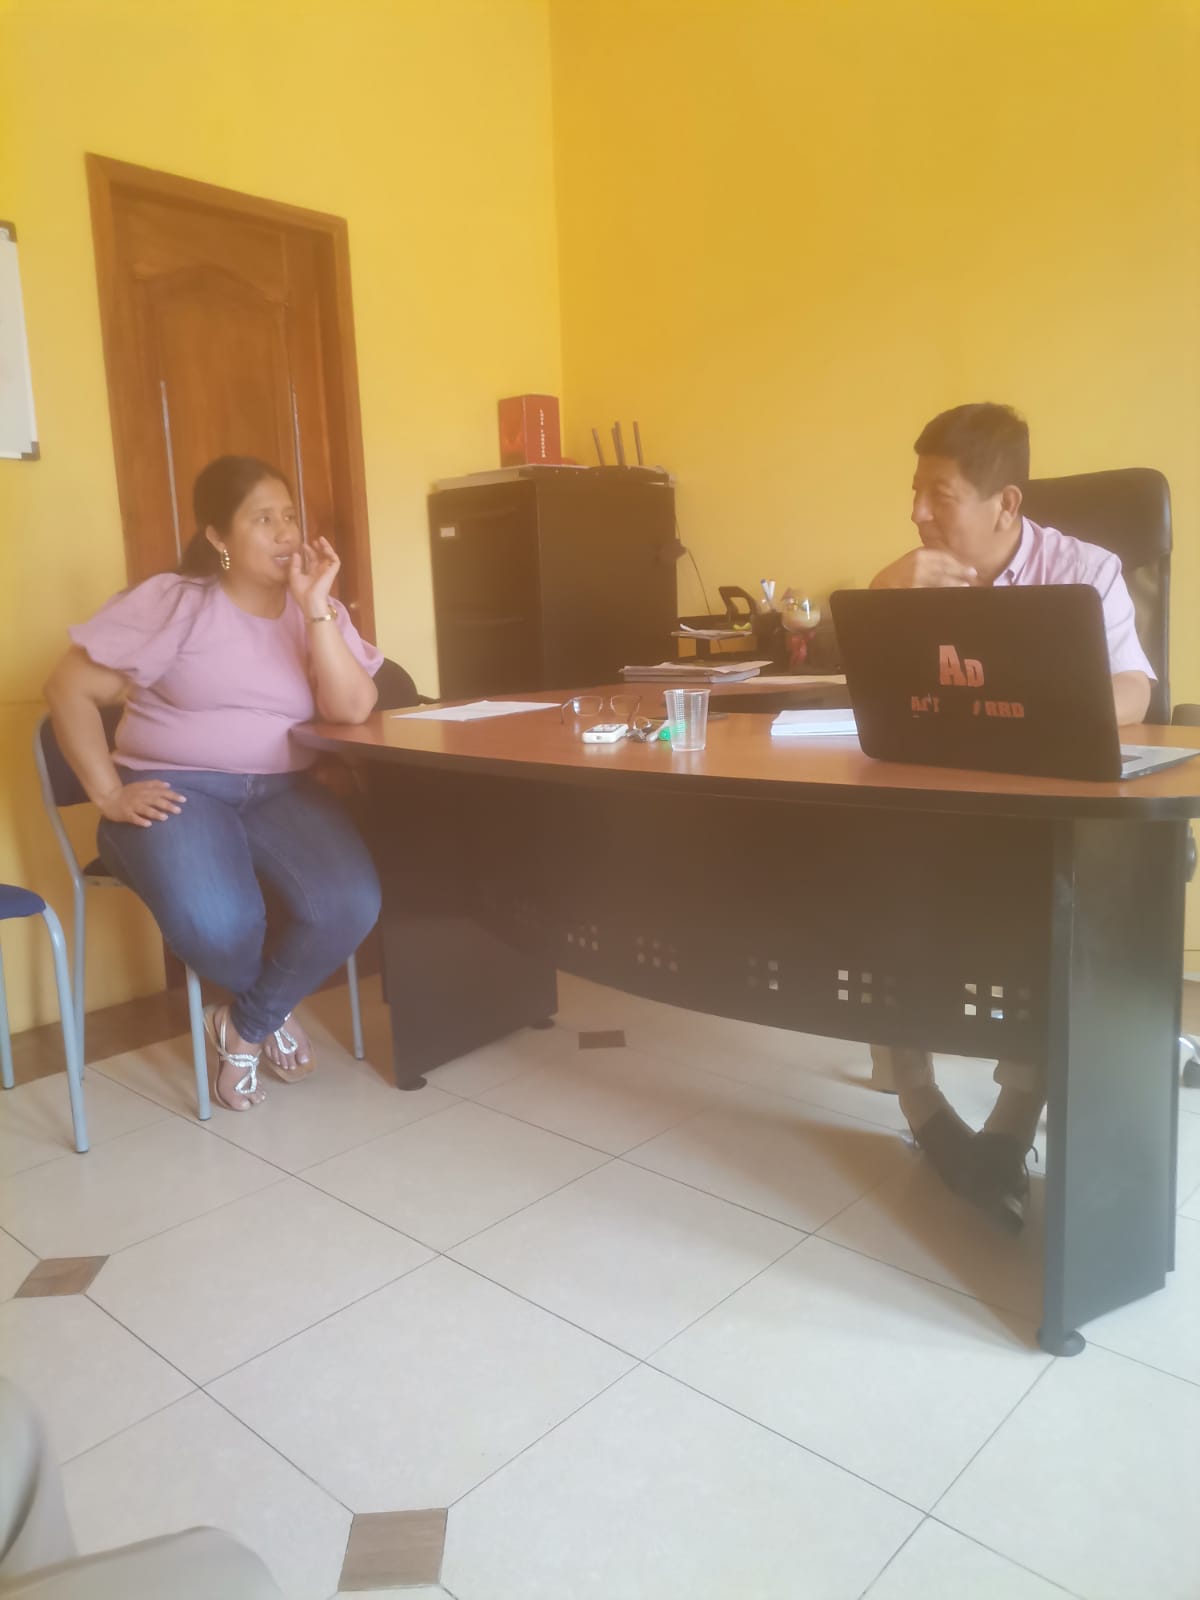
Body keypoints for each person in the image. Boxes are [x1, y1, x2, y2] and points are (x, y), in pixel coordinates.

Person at [867, 403, 1153, 1231]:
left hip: (1038, 808)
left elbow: (1135, 692)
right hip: (935, 802)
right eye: (915, 491)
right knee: (870, 869)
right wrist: (882, 598)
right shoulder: (911, 577)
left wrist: (1036, 702)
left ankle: (1011, 1122)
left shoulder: (1084, 570)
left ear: (1007, 504)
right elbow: (874, 692)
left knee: (1049, 897)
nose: (918, 513)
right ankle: (919, 1102)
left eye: (940, 495)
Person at [43, 456, 383, 1113]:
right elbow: (67, 689)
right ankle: (269, 1013)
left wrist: (316, 609)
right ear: (218, 537)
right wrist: (108, 792)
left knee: (350, 904)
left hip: (281, 790)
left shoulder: (316, 609)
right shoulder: (177, 603)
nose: (285, 532)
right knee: (221, 925)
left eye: (290, 516)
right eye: (263, 519)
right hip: (176, 788)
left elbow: (351, 710)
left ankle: (247, 1022)